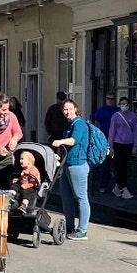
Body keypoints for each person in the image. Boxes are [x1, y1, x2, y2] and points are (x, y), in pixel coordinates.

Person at [51, 98, 90, 240]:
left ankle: (82, 230)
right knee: (66, 197)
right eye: (64, 109)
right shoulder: (69, 124)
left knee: (81, 197)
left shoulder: (79, 124)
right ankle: (69, 227)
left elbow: (74, 140)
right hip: (67, 164)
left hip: (78, 164)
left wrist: (60, 141)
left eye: (69, 109)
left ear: (75, 109)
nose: (67, 112)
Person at [108, 96, 137, 199]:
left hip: (128, 144)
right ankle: (124, 188)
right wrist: (110, 146)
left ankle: (118, 187)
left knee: (124, 166)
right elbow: (112, 132)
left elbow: (135, 131)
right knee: (120, 166)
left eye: (126, 104)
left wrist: (135, 146)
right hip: (118, 144)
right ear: (119, 105)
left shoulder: (133, 116)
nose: (124, 106)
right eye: (122, 104)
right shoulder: (115, 117)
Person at [92, 92, 121, 192]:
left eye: (112, 99)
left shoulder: (118, 111)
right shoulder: (101, 111)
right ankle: (103, 185)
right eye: (108, 98)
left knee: (116, 164)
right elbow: (96, 124)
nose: (110, 100)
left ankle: (117, 186)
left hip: (116, 141)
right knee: (105, 164)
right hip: (104, 141)